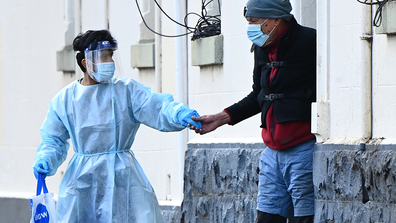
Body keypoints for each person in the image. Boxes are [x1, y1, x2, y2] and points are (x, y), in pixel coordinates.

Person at [32, 29, 202, 223]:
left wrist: (178, 113)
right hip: (82, 182)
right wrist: (46, 158)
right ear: (85, 63)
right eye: (103, 57)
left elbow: (157, 107)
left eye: (111, 56)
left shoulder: (126, 91)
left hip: (123, 177)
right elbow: (53, 139)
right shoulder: (64, 100)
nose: (110, 62)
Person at [190, 0, 316, 222]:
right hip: (271, 152)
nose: (251, 27)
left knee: (302, 218)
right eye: (249, 22)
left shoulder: (309, 41)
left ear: (275, 20)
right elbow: (258, 95)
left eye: (255, 22)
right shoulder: (261, 48)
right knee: (267, 217)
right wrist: (219, 119)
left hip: (302, 150)